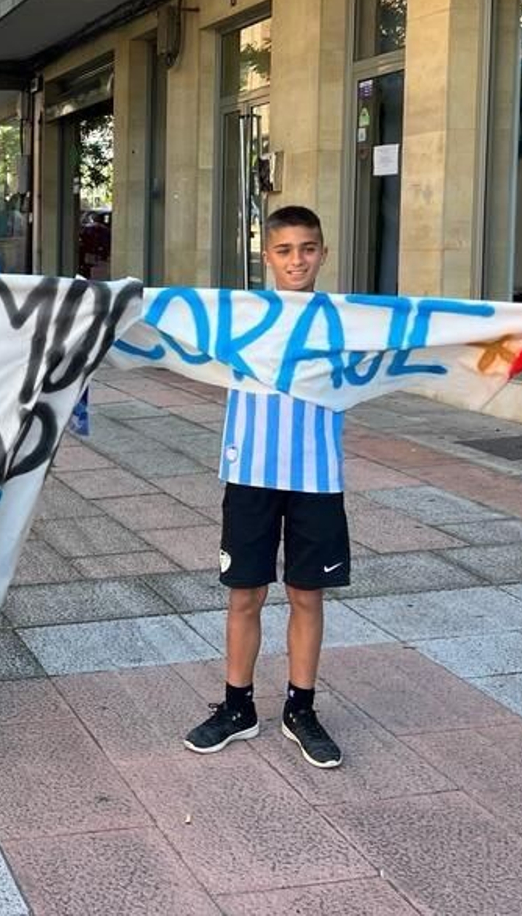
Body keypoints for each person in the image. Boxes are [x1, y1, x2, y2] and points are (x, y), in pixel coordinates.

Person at [182, 205, 347, 770]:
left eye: (307, 248)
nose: (296, 260)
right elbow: (159, 322)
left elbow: (440, 331)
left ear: (324, 253)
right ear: (266, 256)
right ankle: (238, 706)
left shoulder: (347, 320)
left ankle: (301, 708)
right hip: (250, 472)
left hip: (317, 477)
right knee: (245, 593)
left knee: (307, 594)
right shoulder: (238, 315)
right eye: (284, 250)